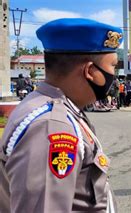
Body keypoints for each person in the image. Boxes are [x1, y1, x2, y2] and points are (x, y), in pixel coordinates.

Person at [0, 18, 122, 212]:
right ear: (90, 71)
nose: (113, 75)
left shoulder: (57, 107)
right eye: (113, 66)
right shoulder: (51, 126)